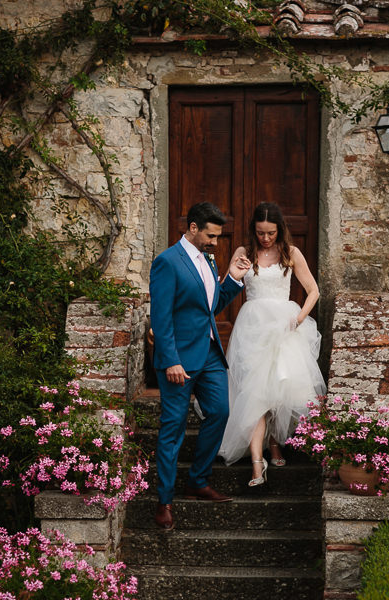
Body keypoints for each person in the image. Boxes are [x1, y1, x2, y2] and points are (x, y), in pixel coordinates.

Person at [149, 201, 252, 530]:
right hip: (179, 361)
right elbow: (161, 317)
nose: (215, 243)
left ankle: (198, 480)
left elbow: (210, 307)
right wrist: (170, 360)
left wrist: (233, 280)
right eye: (210, 236)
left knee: (221, 412)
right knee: (173, 429)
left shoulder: (208, 261)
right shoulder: (167, 262)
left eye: (218, 237)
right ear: (192, 228)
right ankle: (164, 501)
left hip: (209, 354)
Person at [218, 202, 326, 486]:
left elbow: (313, 290)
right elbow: (225, 287)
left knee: (279, 387)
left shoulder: (291, 253)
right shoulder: (244, 252)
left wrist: (300, 317)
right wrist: (233, 274)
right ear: (253, 230)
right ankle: (257, 464)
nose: (265, 238)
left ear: (280, 230)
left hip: (284, 325)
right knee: (255, 393)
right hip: (252, 327)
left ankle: (275, 443)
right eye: (260, 232)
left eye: (271, 233)